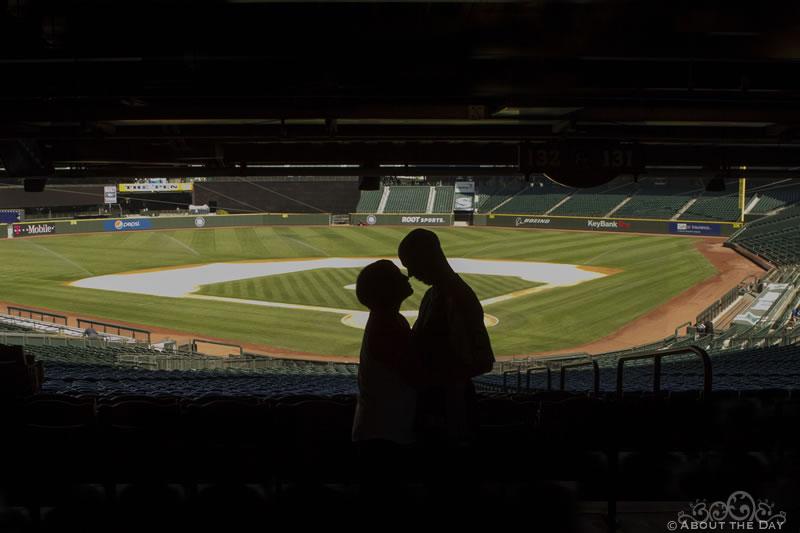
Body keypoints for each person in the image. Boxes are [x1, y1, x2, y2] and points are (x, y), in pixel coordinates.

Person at [398, 228, 495, 446]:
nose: (411, 273)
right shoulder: (432, 295)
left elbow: (483, 361)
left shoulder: (459, 298)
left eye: (411, 263)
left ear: (428, 257)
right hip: (436, 409)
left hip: (451, 416)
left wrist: (437, 377)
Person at [351, 259, 424, 504]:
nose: (406, 277)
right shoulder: (387, 325)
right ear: (386, 289)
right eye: (397, 276)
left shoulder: (389, 320)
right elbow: (414, 373)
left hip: (380, 435)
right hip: (383, 440)